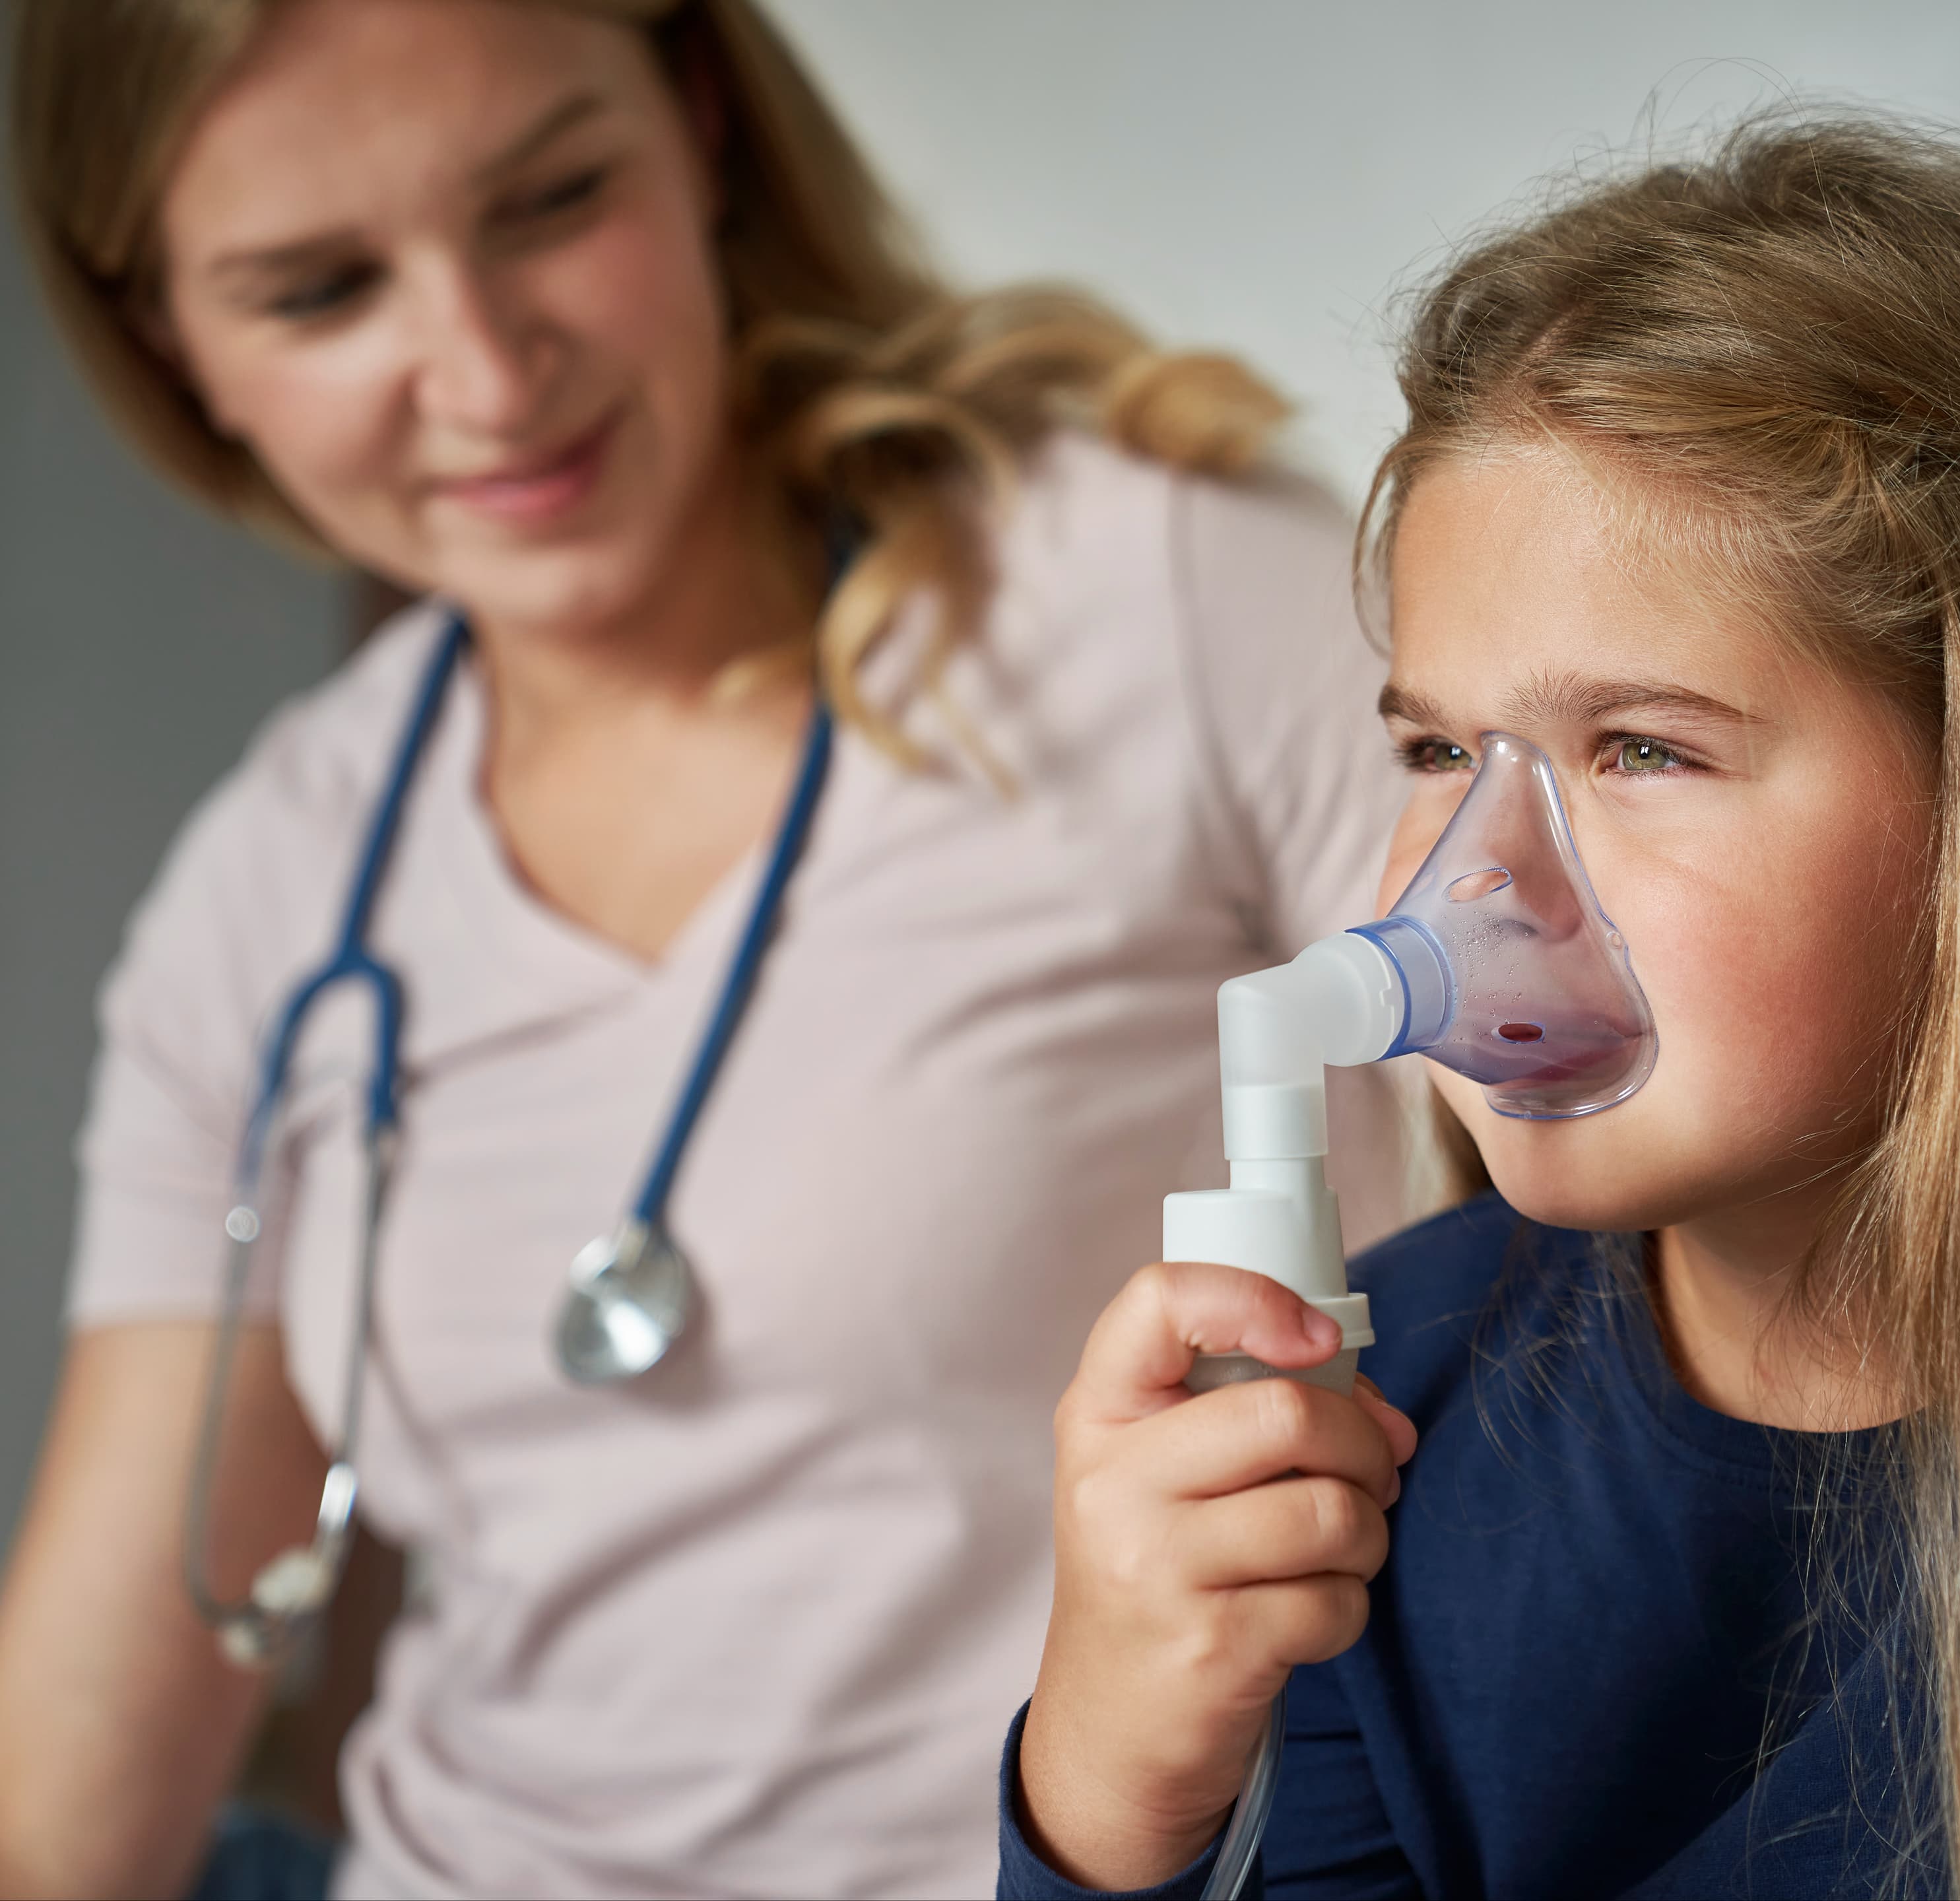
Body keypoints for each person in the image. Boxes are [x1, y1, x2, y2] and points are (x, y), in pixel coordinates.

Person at [1002, 110, 1960, 1898]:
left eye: (1642, 748)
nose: (1477, 887)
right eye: (1439, 748)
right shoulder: (1391, 1386)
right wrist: (1117, 1797)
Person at [0, 2, 1406, 1896]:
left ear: (706, 122)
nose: (489, 377)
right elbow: (68, 1798)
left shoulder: (1166, 592)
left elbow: (1627, 1268)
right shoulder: (271, 882)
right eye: (322, 291)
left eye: (554, 199)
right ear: (172, 340)